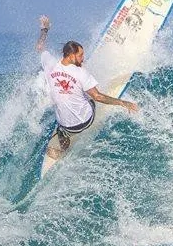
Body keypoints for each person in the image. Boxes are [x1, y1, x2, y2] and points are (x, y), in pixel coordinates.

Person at [35, 15, 137, 158]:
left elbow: (40, 47)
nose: (83, 57)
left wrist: (45, 29)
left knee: (64, 115)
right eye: (80, 55)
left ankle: (63, 142)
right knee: (89, 94)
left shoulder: (49, 63)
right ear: (70, 55)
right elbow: (97, 96)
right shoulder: (81, 73)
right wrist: (122, 102)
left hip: (66, 125)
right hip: (86, 121)